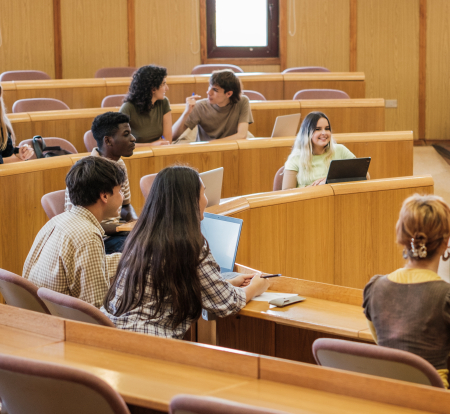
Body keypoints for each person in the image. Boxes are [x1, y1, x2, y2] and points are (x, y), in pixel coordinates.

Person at [102, 166, 269, 338]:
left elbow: (173, 287)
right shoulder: (186, 245)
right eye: (203, 193)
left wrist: (228, 284)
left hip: (112, 332)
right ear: (189, 201)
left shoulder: (140, 236)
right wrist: (256, 287)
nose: (205, 200)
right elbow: (227, 303)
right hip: (147, 341)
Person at [362, 194, 450, 389]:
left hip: (386, 400)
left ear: (402, 236)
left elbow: (383, 339)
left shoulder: (375, 287)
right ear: (446, 241)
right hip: (433, 402)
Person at [23, 156, 126, 308]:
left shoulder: (58, 220)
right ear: (104, 195)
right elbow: (96, 309)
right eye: (120, 191)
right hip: (62, 323)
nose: (122, 197)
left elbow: (91, 266)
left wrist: (130, 259)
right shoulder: (88, 236)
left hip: (40, 313)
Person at [64, 112, 138, 254]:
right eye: (126, 134)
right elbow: (80, 222)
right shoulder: (87, 170)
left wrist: (135, 222)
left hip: (118, 233)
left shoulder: (120, 164)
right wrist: (123, 228)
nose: (133, 138)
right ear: (108, 141)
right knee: (138, 251)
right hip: (95, 238)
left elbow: (126, 205)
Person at [282, 111, 367, 189]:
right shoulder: (295, 158)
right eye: (318, 129)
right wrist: (312, 188)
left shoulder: (340, 150)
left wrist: (330, 180)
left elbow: (366, 176)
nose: (324, 133)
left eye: (327, 128)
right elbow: (287, 194)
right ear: (307, 133)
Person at [172, 69, 253, 142]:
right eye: (209, 87)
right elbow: (173, 137)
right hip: (206, 153)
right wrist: (186, 113)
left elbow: (242, 135)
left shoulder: (242, 101)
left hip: (231, 150)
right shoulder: (200, 106)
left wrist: (214, 143)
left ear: (229, 93)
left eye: (215, 90)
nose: (208, 93)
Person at [120, 65, 172, 144]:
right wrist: (151, 145)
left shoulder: (164, 102)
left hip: (158, 151)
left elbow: (167, 140)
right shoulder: (128, 108)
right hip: (135, 154)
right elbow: (120, 144)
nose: (167, 88)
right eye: (163, 84)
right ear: (153, 89)